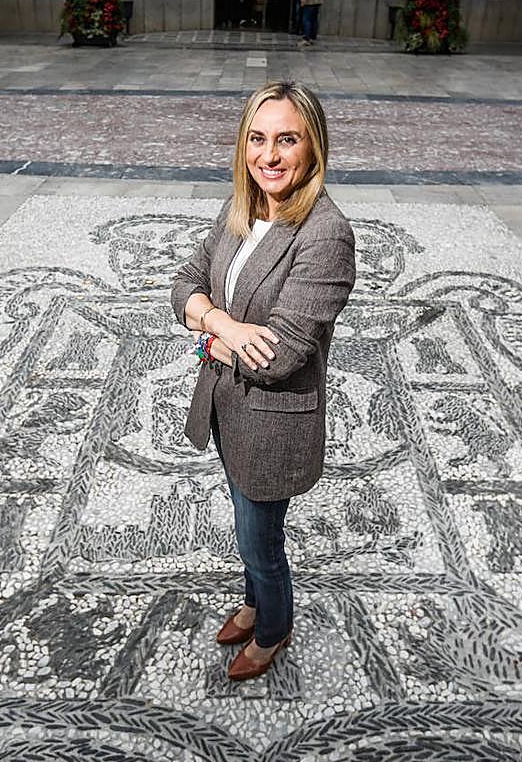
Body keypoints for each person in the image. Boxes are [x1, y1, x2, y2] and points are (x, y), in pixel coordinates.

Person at [170, 81, 356, 682]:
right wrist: (220, 323)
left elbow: (279, 357)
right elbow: (184, 282)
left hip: (273, 423)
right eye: (257, 138)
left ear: (313, 147)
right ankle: (253, 605)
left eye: (287, 140)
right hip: (228, 408)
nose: (269, 156)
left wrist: (203, 331)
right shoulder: (244, 208)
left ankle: (273, 627)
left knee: (261, 544)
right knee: (248, 527)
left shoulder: (325, 233)